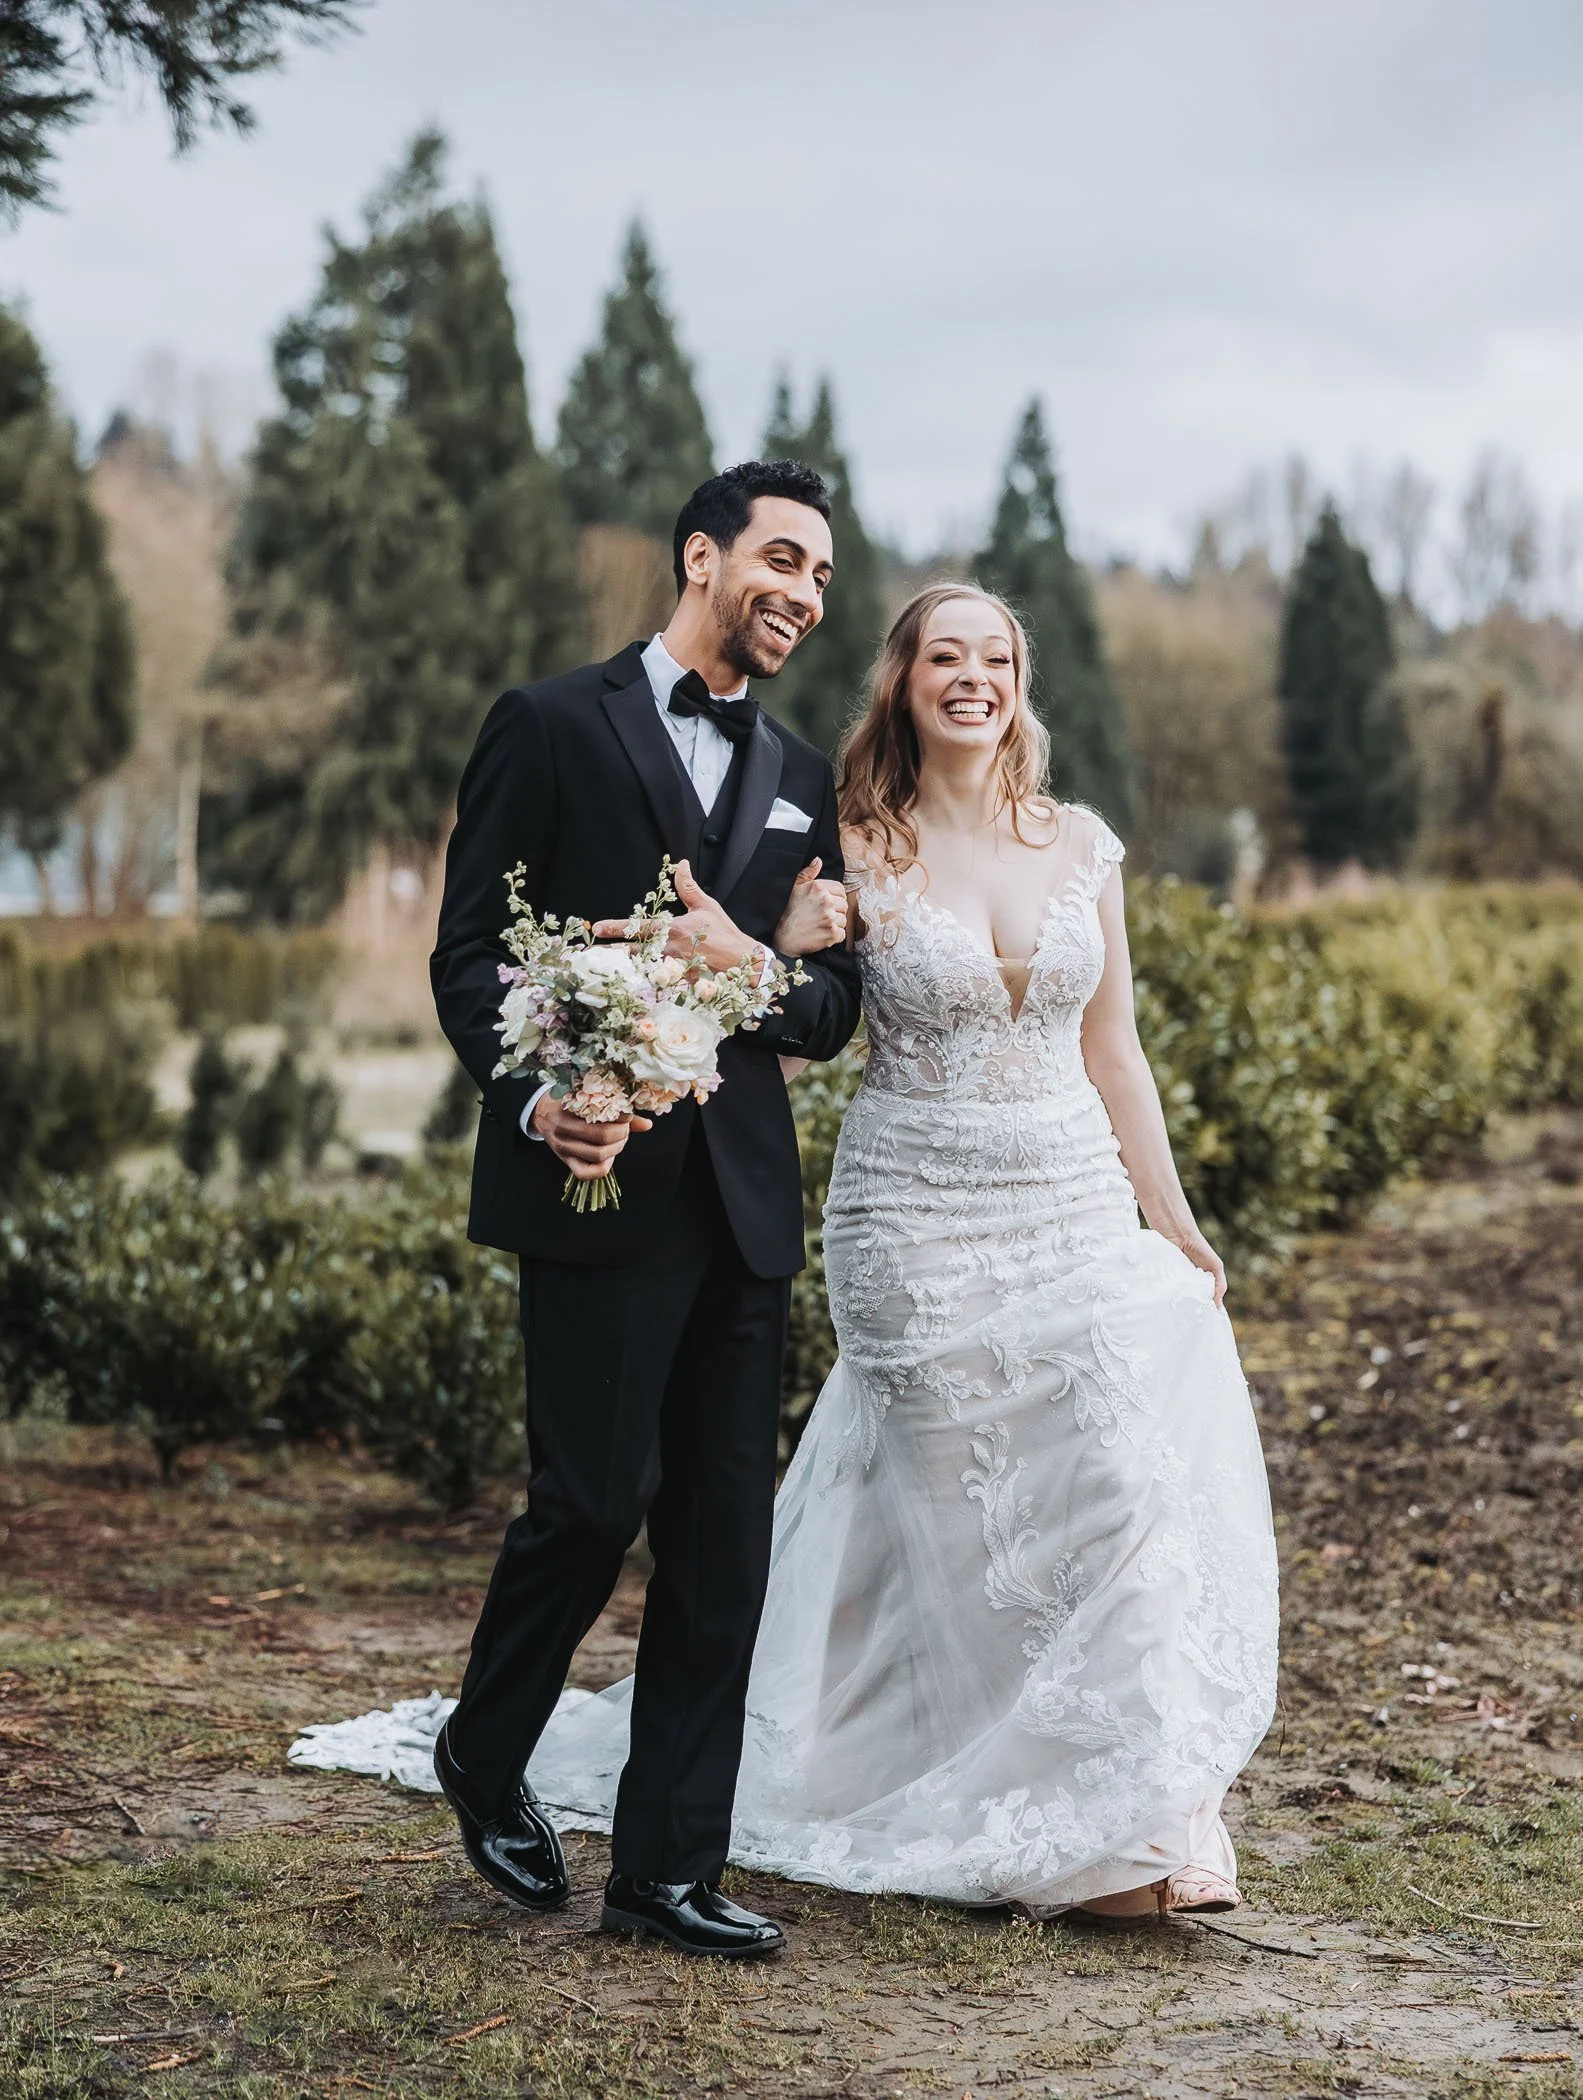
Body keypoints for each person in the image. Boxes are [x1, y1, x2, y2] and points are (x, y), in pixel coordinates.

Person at [294, 579, 1277, 1925]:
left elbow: (1114, 1049)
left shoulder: (1082, 845)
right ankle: (943, 1808)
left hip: (1067, 1202)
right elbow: (786, 997)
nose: (972, 677)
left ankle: (1133, 1809)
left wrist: (1168, 1215)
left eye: (994, 656)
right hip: (916, 1216)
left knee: (1114, 1483)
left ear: (1020, 679)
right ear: (903, 677)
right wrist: (701, 990)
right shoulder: (846, 832)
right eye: (944, 654)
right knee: (943, 1521)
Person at [425, 461, 861, 1957]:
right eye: (783, 559)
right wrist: (543, 1097)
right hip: (588, 1177)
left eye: (820, 576)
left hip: (739, 1206)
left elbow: (828, 1007)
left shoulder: (804, 773)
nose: (804, 593)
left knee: (722, 1544)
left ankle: (667, 1869)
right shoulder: (547, 724)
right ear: (701, 555)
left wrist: (762, 964)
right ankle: (484, 1752)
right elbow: (469, 950)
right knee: (590, 1506)